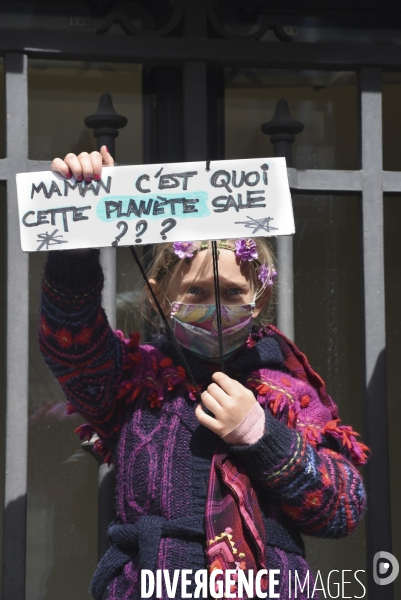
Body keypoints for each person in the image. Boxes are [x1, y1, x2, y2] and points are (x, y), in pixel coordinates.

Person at [39, 148, 369, 600]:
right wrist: (78, 234)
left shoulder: (288, 391)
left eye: (232, 292)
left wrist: (262, 434)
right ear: (159, 291)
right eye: (196, 291)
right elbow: (69, 340)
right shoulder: (133, 381)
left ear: (260, 300)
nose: (215, 308)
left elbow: (343, 508)